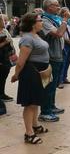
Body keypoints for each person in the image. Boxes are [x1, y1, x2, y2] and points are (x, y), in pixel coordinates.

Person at [11, 12, 49, 144]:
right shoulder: (27, 39)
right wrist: (16, 75)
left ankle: (35, 125)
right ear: (33, 24)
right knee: (30, 104)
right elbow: (21, 61)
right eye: (40, 20)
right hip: (31, 73)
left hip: (40, 72)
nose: (42, 22)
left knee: (36, 101)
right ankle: (29, 133)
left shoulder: (36, 35)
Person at [38, 0, 69, 122]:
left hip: (58, 55)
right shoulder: (45, 20)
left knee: (54, 84)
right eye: (56, 5)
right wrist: (65, 20)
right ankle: (45, 112)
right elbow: (58, 34)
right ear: (49, 7)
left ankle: (51, 106)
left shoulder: (54, 19)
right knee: (48, 85)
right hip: (50, 57)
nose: (59, 7)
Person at [58, 8, 70, 88]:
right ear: (63, 13)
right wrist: (68, 41)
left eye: (69, 11)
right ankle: (60, 80)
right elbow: (60, 34)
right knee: (63, 62)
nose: (69, 13)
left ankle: (65, 77)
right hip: (64, 43)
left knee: (68, 61)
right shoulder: (60, 21)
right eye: (66, 12)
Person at [0, 14, 14, 102]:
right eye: (2, 20)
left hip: (6, 57)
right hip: (0, 58)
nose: (4, 22)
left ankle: (2, 93)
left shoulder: (4, 31)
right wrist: (4, 43)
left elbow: (10, 41)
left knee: (4, 76)